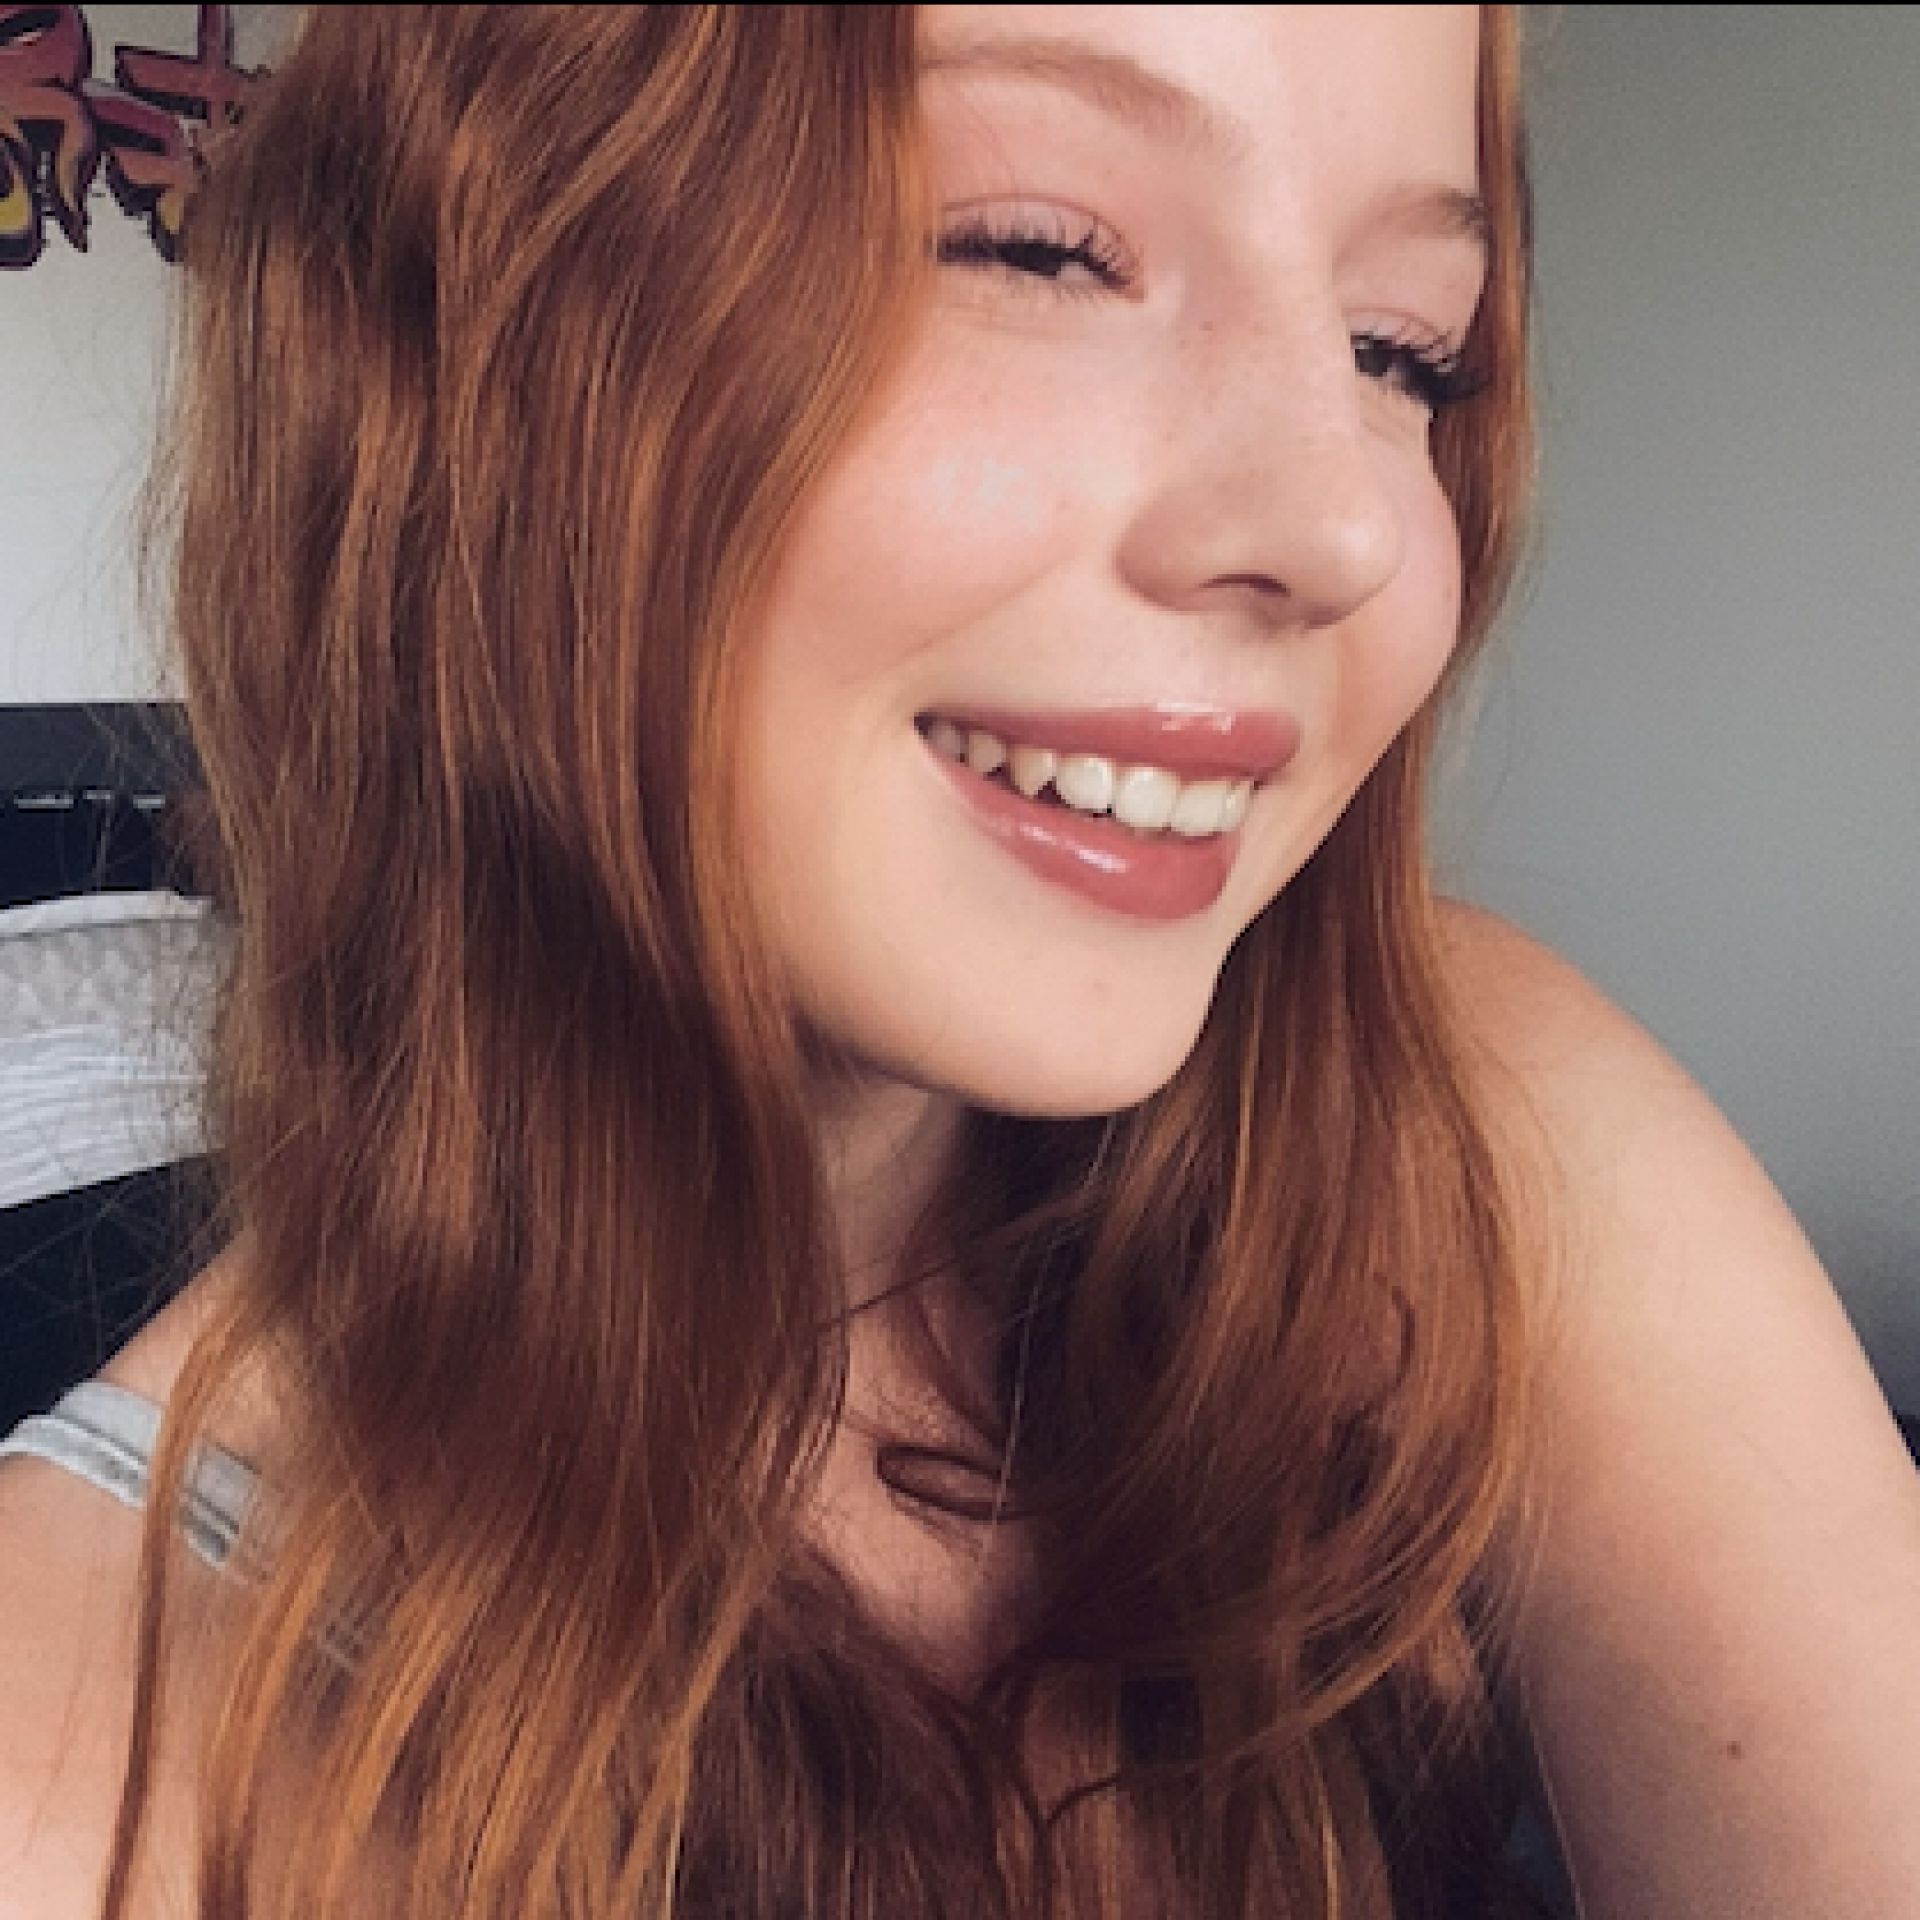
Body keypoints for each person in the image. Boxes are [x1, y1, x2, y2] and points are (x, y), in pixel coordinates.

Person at [2, 5, 1916, 1916]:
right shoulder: (83, 1787)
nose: (1338, 525)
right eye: (1039, 249)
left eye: (1402, 348)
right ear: (458, 331)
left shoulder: (1471, 1125)